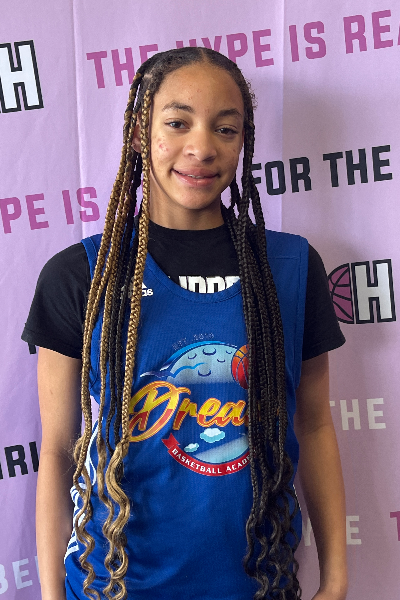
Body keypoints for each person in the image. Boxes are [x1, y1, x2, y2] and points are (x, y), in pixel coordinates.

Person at [22, 47, 348, 600]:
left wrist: (336, 581)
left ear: (243, 141)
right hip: (113, 587)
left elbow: (314, 425)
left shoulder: (289, 267)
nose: (201, 147)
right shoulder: (81, 275)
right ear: (138, 131)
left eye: (225, 128)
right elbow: (57, 448)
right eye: (177, 123)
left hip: (258, 585)